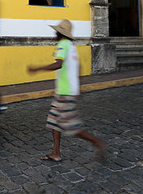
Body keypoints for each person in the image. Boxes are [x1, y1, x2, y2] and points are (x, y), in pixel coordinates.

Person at [28, 19, 106, 162]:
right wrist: (79, 88)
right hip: (66, 91)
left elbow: (58, 64)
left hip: (65, 92)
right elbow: (79, 67)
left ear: (60, 33)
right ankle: (55, 153)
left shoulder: (63, 44)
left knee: (71, 126)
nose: (54, 33)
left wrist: (37, 69)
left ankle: (97, 142)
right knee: (54, 122)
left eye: (56, 31)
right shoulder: (71, 46)